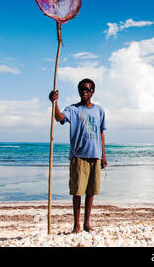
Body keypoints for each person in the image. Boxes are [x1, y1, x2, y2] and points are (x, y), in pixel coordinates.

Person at [49, 78, 107, 233]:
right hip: (79, 156)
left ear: (92, 91)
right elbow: (59, 117)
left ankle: (87, 223)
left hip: (95, 156)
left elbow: (101, 132)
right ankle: (76, 224)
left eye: (87, 89)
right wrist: (54, 103)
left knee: (91, 192)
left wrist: (103, 155)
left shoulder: (99, 110)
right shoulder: (73, 109)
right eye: (81, 89)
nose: (84, 91)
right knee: (77, 192)